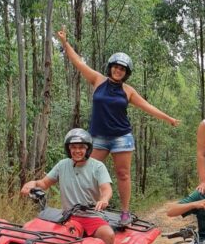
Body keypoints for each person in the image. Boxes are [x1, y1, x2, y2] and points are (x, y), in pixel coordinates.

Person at [56, 28, 180, 226]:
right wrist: (65, 42)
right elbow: (78, 62)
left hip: (121, 137)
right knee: (87, 170)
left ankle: (124, 212)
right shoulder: (98, 80)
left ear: (126, 73)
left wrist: (169, 119)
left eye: (122, 69)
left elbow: (148, 106)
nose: (118, 70)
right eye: (115, 67)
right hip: (97, 137)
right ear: (110, 67)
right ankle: (86, 208)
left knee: (123, 174)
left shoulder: (128, 91)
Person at [20, 129, 115, 244]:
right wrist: (33, 183)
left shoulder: (97, 167)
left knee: (108, 235)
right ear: (68, 149)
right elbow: (44, 183)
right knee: (36, 234)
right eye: (73, 147)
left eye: (81, 147)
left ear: (88, 149)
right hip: (67, 216)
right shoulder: (62, 165)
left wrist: (104, 199)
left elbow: (106, 189)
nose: (77, 151)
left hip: (90, 215)